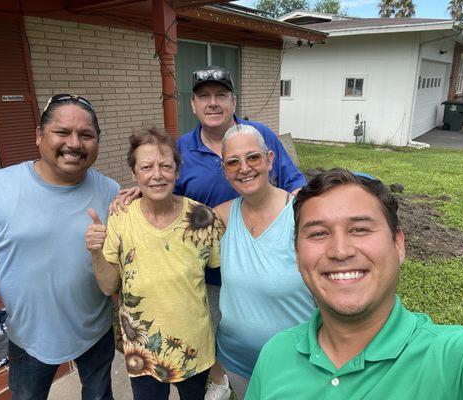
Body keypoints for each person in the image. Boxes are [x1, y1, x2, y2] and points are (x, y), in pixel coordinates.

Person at [115, 65, 307, 400]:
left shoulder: (260, 135)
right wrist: (140, 191)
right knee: (212, 334)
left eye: (221, 95)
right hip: (202, 269)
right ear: (193, 104)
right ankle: (219, 377)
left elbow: (295, 184)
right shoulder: (181, 150)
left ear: (233, 101)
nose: (213, 103)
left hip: (257, 258)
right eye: (205, 96)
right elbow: (164, 188)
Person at [245, 168, 463, 400]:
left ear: (398, 244)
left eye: (360, 229)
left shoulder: (456, 362)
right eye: (318, 233)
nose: (340, 251)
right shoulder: (275, 354)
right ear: (298, 255)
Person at [0, 94, 119, 400]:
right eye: (62, 132)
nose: (74, 143)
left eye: (86, 135)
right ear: (39, 135)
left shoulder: (110, 191)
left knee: (99, 395)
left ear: (97, 142)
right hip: (29, 336)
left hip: (95, 330)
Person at [85, 127, 224, 400]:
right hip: (143, 349)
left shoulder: (203, 218)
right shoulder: (121, 217)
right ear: (134, 175)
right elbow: (108, 286)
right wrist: (95, 252)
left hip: (192, 345)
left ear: (177, 172)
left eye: (165, 166)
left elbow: (224, 271)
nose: (157, 174)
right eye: (146, 167)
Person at [212, 125, 316, 399]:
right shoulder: (220, 217)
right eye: (233, 162)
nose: (244, 168)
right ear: (224, 170)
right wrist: (141, 194)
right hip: (238, 360)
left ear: (270, 159)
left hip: (297, 362)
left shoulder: (301, 215)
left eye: (253, 157)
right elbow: (175, 220)